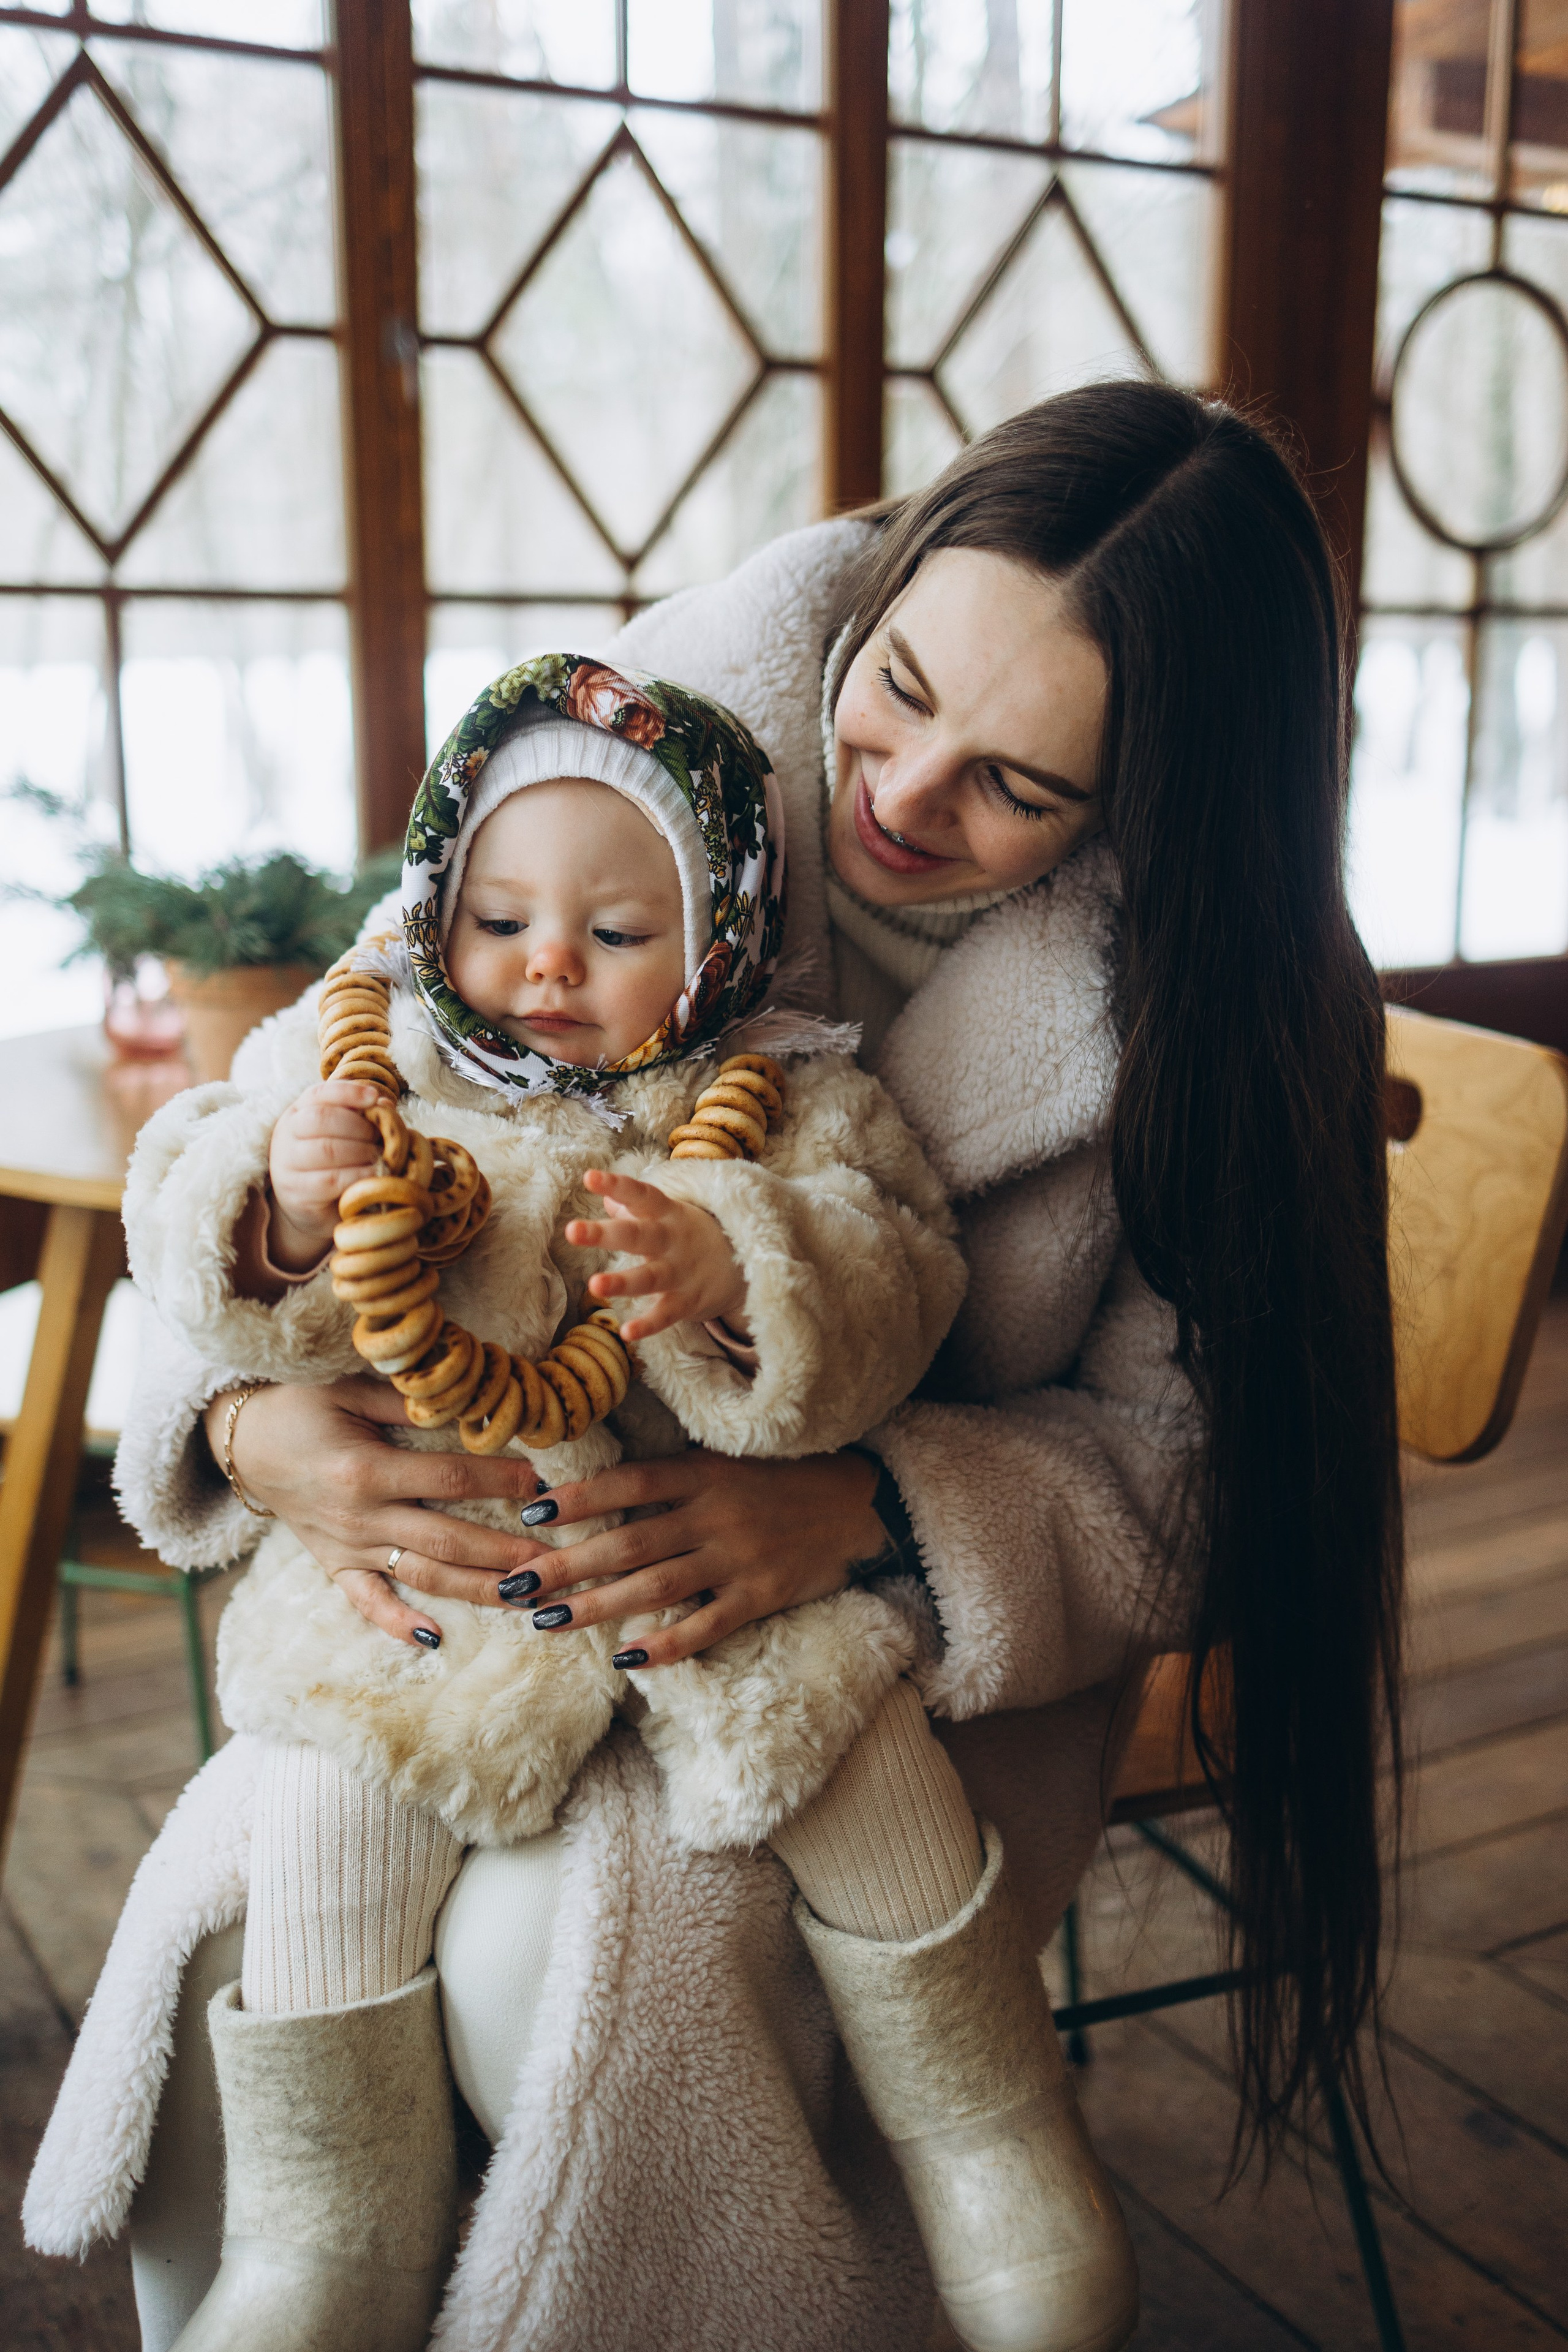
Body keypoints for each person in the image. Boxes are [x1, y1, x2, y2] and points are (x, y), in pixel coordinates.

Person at [27, 383, 1402, 2352]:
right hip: (476, 1591)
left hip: (887, 1673)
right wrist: (255, 1429)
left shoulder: (1221, 1014)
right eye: (900, 684)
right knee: (265, 1918)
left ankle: (948, 2185)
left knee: (541, 1983)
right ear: (887, 581)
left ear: (1163, 816)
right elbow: (296, 1105)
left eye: (1020, 785)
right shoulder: (629, 737)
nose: (908, 793)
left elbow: (1191, 1479)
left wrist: (867, 1510)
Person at [114, 654, 1135, 2352]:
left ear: (724, 936)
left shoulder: (781, 1090)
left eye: (614, 933)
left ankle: (992, 2138)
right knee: (328, 1812)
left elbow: (899, 1275)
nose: (545, 967)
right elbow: (192, 1237)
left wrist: (740, 1263)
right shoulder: (377, 1071)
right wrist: (282, 1219)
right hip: (429, 1594)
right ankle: (323, 2236)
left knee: (857, 1758)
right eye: (501, 916)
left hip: (716, 1577)